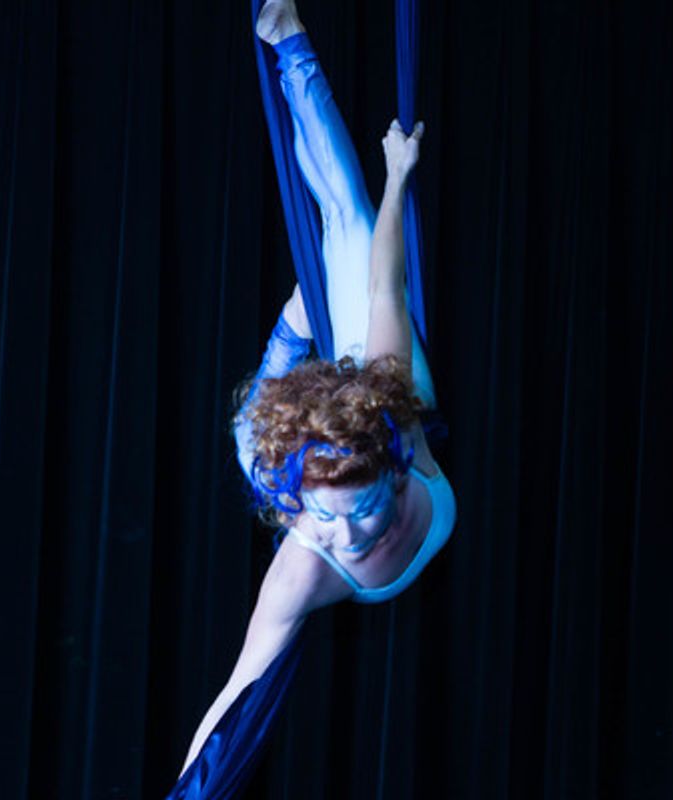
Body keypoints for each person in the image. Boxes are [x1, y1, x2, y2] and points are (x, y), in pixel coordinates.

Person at [176, 0, 456, 777]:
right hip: (275, 434)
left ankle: (289, 38)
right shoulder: (304, 554)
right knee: (334, 239)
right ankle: (297, 325)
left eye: (361, 510)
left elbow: (387, 284)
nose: (352, 537)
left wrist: (400, 176)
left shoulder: (392, 401)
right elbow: (234, 700)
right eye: (331, 523)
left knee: (352, 225)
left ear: (394, 465)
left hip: (342, 398)